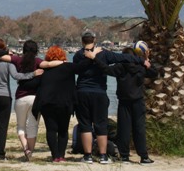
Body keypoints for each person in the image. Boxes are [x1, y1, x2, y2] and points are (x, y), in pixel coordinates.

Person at [74, 31, 146, 164]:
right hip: (100, 93)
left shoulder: (78, 54)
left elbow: (76, 70)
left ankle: (88, 156)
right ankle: (103, 156)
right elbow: (123, 58)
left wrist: (91, 56)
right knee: (101, 125)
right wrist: (141, 60)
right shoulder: (104, 53)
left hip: (82, 92)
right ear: (94, 40)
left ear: (82, 41)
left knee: (85, 125)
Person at [33, 45, 99, 163]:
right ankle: (61, 156)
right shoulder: (68, 67)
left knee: (51, 130)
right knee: (63, 130)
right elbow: (82, 66)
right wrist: (91, 56)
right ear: (63, 55)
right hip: (65, 103)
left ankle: (54, 156)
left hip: (47, 103)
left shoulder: (44, 69)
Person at [103, 45, 158, 165]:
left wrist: (97, 59)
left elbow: (106, 69)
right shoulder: (140, 67)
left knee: (124, 129)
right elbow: (154, 72)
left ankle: (124, 157)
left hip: (124, 101)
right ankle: (144, 157)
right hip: (138, 101)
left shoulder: (119, 67)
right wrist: (147, 60)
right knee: (139, 129)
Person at [9, 40, 42, 161]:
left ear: (23, 49)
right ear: (36, 50)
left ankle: (26, 148)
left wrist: (9, 54)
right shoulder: (38, 62)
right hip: (35, 98)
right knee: (33, 126)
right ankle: (30, 151)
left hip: (21, 97)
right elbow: (48, 65)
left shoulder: (18, 60)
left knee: (21, 126)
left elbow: (5, 58)